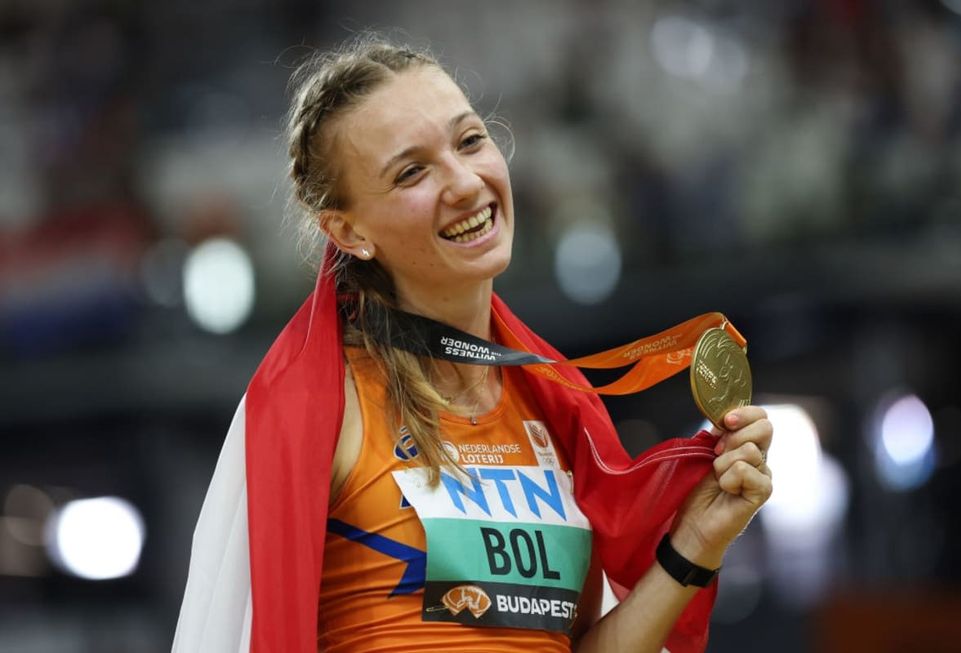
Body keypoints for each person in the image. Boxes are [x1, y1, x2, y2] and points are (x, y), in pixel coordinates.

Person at [172, 35, 773, 653]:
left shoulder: (552, 403)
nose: (464, 182)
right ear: (347, 229)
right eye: (412, 172)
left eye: (469, 141)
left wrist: (695, 544)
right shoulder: (316, 407)